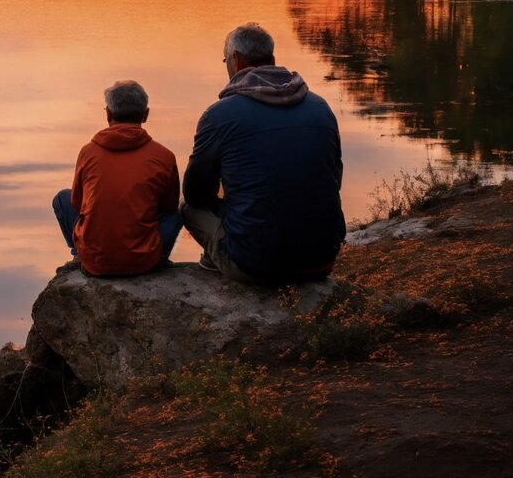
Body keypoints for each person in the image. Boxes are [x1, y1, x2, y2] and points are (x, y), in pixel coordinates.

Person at [183, 22, 345, 285]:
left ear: (235, 60)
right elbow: (333, 180)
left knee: (189, 209)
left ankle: (218, 258)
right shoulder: (320, 107)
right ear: (272, 59)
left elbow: (195, 194)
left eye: (225, 60)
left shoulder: (219, 116)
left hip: (255, 265)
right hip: (321, 258)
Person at [52, 79, 182, 276]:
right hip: (144, 263)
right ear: (146, 114)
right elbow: (168, 207)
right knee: (181, 209)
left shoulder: (88, 152)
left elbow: (78, 203)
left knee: (62, 199)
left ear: (108, 114)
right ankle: (158, 258)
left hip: (95, 263)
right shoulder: (164, 156)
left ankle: (80, 254)